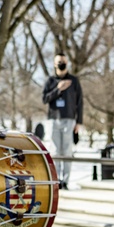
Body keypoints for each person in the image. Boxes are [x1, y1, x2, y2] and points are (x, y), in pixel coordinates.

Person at [42, 53, 83, 188]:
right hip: (54, 120)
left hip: (69, 120)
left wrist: (79, 122)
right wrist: (58, 89)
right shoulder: (50, 81)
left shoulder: (74, 81)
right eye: (59, 61)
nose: (61, 63)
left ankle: (65, 181)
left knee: (66, 151)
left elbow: (80, 102)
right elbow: (44, 99)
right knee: (55, 151)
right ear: (54, 64)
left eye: (64, 61)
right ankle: (56, 180)